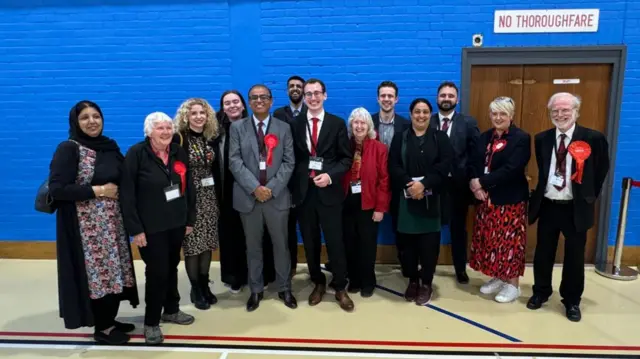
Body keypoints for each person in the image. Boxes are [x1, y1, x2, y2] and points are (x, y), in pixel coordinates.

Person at [49, 100, 139, 345]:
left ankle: (109, 319)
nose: (92, 122)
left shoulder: (109, 146)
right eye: (85, 118)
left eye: (96, 116)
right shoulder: (69, 149)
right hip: (87, 228)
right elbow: (58, 189)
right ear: (75, 123)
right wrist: (98, 190)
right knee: (97, 277)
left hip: (112, 224)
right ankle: (103, 328)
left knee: (113, 273)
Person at [527, 92, 610, 322]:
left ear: (576, 111)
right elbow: (544, 171)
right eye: (555, 111)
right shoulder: (542, 138)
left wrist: (588, 197)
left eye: (565, 110)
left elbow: (601, 169)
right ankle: (540, 292)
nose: (560, 114)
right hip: (549, 205)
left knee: (574, 257)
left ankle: (572, 301)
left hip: (575, 207)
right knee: (543, 253)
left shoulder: (593, 138)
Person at [120, 111, 196, 344]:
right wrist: (135, 229)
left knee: (171, 267)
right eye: (160, 128)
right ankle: (152, 322)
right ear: (149, 132)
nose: (166, 132)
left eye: (168, 127)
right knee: (157, 272)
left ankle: (171, 309)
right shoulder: (136, 154)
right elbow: (127, 194)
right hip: (150, 228)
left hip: (176, 223)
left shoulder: (177, 151)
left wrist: (189, 220)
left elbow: (189, 186)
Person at [229, 84, 297, 311]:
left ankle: (284, 288)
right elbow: (234, 161)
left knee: (281, 245)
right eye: (254, 98)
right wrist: (255, 188)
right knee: (253, 247)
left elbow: (289, 162)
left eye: (263, 97)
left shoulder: (284, 127)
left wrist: (271, 188)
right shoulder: (237, 128)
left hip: (276, 198)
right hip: (249, 199)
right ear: (249, 102)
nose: (259, 101)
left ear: (271, 101)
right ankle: (256, 290)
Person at [290, 78, 355, 312]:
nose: (313, 98)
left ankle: (339, 285)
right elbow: (295, 159)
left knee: (335, 241)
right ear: (304, 97)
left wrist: (330, 176)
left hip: (329, 191)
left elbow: (346, 159)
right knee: (310, 242)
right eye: (308, 94)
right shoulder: (295, 124)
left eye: (317, 93)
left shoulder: (337, 123)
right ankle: (318, 281)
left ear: (325, 95)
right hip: (305, 194)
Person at [388, 98, 453, 305]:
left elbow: (445, 166)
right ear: (410, 113)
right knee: (407, 249)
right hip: (406, 201)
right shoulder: (400, 138)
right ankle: (413, 280)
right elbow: (393, 166)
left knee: (428, 248)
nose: (421, 115)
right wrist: (410, 184)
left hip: (431, 201)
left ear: (430, 114)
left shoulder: (439, 137)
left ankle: (426, 283)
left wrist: (423, 185)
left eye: (425, 112)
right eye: (417, 111)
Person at [468, 96, 531, 303]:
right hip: (486, 200)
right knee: (492, 242)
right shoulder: (485, 137)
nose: (498, 117)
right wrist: (474, 185)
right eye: (494, 113)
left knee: (510, 243)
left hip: (510, 201)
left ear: (511, 116)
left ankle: (513, 285)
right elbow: (474, 163)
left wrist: (481, 182)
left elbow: (511, 169)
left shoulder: (521, 138)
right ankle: (498, 276)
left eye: (502, 113)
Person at [213, 90, 276, 293]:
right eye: (227, 103)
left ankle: (260, 274)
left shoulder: (254, 127)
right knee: (232, 236)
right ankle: (235, 276)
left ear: (243, 105)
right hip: (227, 192)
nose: (232, 105)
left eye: (235, 102)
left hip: (253, 188)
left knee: (258, 235)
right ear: (222, 107)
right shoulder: (216, 133)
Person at [429, 82, 480, 284]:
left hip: (458, 187)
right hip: (433, 186)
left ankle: (460, 269)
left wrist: (472, 178)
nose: (447, 98)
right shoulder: (427, 121)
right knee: (431, 228)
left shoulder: (468, 123)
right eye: (443, 95)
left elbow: (476, 155)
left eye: (451, 95)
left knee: (459, 230)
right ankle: (428, 266)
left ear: (457, 100)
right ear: (437, 98)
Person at [173, 98, 221, 310]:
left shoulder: (210, 138)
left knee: (207, 243)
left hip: (209, 197)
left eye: (202, 113)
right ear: (186, 116)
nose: (199, 116)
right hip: (190, 198)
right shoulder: (179, 139)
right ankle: (195, 288)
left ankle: (204, 283)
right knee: (192, 246)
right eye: (194, 113)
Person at [342, 107, 390, 297]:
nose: (359, 126)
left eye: (363, 122)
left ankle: (368, 280)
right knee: (350, 243)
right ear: (351, 125)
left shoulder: (379, 148)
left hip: (369, 204)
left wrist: (380, 208)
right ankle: (354, 279)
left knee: (367, 244)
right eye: (356, 122)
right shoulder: (344, 145)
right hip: (346, 203)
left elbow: (384, 180)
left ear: (369, 125)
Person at [273, 75, 308, 277]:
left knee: (306, 224)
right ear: (287, 90)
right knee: (286, 227)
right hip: (283, 179)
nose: (295, 89)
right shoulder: (278, 113)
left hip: (305, 177)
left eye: (298, 86)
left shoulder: (310, 112)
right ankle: (290, 266)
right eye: (291, 86)